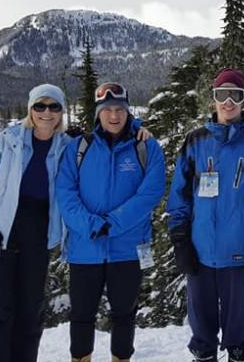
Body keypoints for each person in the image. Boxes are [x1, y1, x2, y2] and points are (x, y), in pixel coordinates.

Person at [167, 68, 244, 362]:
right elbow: (180, 194)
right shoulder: (195, 141)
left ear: (243, 100)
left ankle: (238, 355)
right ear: (213, 99)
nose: (228, 102)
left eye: (235, 95)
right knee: (202, 332)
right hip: (200, 250)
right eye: (221, 95)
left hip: (239, 250)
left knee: (238, 331)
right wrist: (180, 240)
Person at [56, 82, 166, 362]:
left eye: (120, 109)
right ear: (98, 113)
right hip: (85, 248)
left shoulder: (146, 146)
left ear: (128, 112)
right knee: (81, 315)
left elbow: (150, 193)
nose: (114, 115)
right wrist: (92, 224)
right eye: (107, 110)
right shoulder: (79, 148)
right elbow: (65, 194)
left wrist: (112, 223)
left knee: (124, 314)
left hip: (127, 248)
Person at [0, 84, 70, 362]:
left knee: (30, 313)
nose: (47, 112)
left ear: (61, 112)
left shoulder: (67, 146)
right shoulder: (9, 138)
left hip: (39, 232)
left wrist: (141, 129)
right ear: (30, 109)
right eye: (40, 106)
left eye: (54, 106)